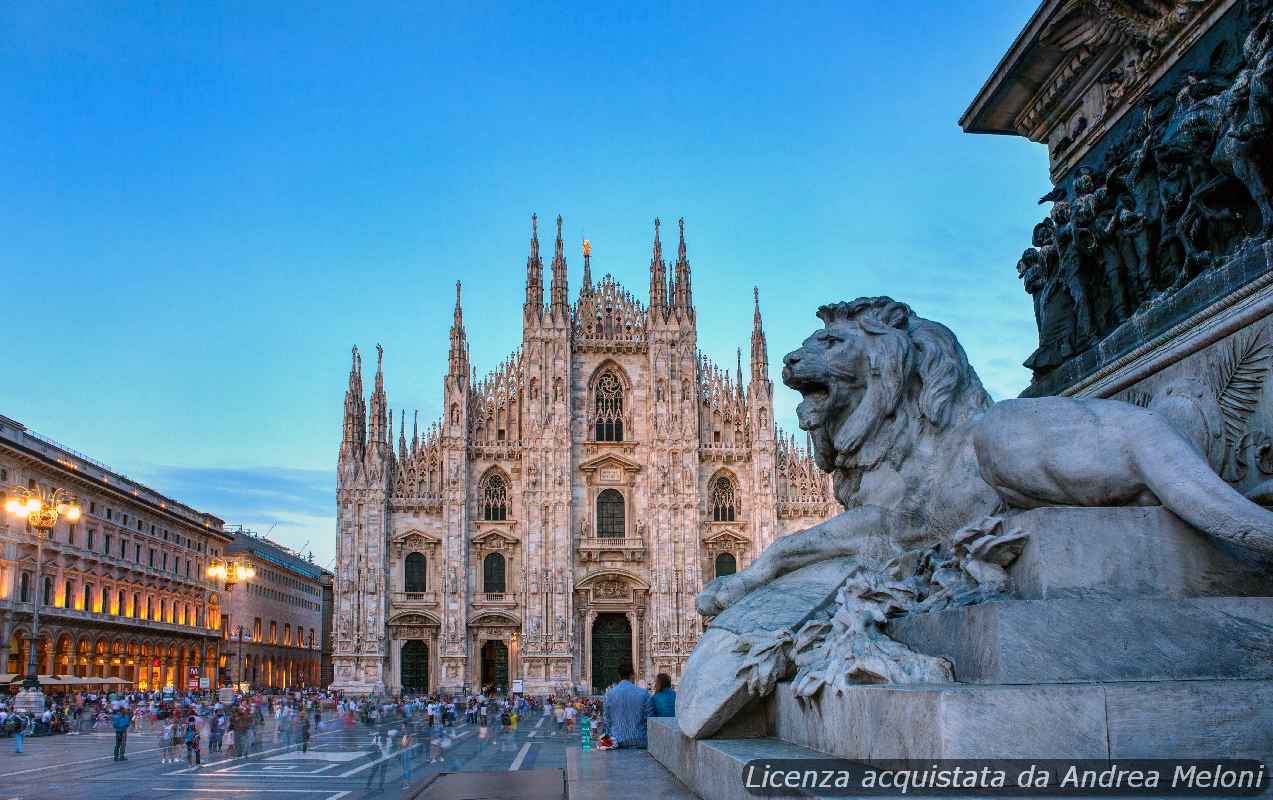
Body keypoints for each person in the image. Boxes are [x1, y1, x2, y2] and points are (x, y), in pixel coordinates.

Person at [603, 663, 655, 749]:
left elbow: (607, 720)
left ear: (619, 676)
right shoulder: (644, 694)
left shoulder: (609, 695)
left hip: (617, 742)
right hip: (640, 741)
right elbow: (650, 719)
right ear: (632, 675)